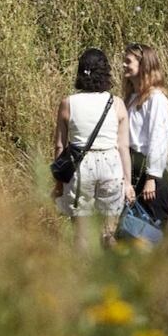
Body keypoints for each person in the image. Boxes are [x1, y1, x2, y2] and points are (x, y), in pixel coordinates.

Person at [53, 47, 135, 238]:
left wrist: (58, 182)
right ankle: (108, 254)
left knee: (81, 234)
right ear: (106, 72)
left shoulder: (68, 103)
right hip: (111, 164)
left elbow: (59, 146)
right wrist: (128, 183)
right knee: (109, 232)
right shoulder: (116, 103)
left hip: (80, 166)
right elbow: (123, 147)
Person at [123, 43, 168, 231]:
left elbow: (158, 138)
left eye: (128, 61)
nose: (124, 65)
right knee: (134, 228)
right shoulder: (131, 98)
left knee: (155, 228)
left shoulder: (156, 98)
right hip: (133, 168)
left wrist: (152, 177)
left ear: (143, 64)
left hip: (150, 171)